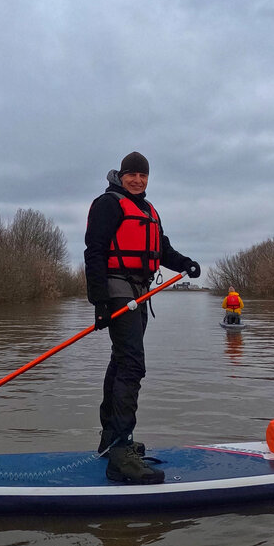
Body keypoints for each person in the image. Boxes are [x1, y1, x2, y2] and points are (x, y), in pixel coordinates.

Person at [84, 151, 200, 484]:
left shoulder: (148, 210)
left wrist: (186, 263)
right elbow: (94, 251)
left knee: (122, 361)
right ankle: (121, 453)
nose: (137, 179)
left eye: (143, 175)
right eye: (131, 174)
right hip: (117, 290)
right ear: (121, 175)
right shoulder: (108, 204)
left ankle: (111, 440)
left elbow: (161, 249)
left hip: (140, 293)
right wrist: (100, 301)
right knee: (133, 365)